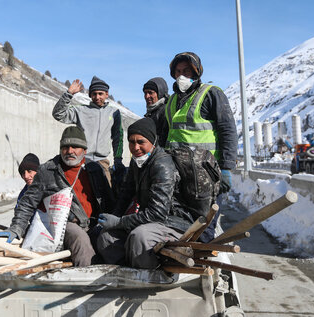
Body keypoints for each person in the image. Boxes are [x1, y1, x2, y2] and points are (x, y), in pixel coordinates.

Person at [4, 126, 114, 266]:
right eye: (65, 147)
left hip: (94, 224)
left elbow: (109, 201)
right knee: (78, 237)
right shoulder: (48, 170)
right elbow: (27, 203)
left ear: (84, 150)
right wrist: (16, 228)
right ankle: (87, 279)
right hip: (64, 226)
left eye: (75, 147)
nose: (69, 151)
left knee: (110, 240)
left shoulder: (94, 169)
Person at [96, 118, 189, 269]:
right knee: (106, 238)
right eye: (131, 142)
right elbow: (126, 195)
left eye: (141, 142)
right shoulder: (137, 162)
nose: (136, 147)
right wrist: (110, 221)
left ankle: (149, 277)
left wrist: (119, 222)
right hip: (151, 221)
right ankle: (127, 273)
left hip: (172, 222)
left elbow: (158, 213)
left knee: (139, 237)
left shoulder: (162, 165)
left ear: (152, 141)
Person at [164, 52, 238, 240]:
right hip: (180, 176)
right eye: (178, 71)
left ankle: (201, 264)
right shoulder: (171, 101)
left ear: (196, 72)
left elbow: (227, 129)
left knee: (204, 227)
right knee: (181, 223)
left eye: (187, 71)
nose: (182, 75)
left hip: (207, 175)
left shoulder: (211, 93)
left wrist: (227, 167)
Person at [52, 76, 124, 187]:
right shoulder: (80, 110)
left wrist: (118, 159)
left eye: (100, 94)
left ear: (106, 94)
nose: (97, 97)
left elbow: (118, 138)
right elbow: (58, 114)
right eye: (94, 94)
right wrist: (68, 94)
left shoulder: (114, 113)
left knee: (106, 197)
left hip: (102, 163)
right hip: (81, 162)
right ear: (90, 95)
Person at [142, 77, 169, 148]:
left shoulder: (165, 111)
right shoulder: (152, 112)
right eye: (145, 93)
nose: (147, 96)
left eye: (150, 93)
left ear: (160, 93)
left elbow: (164, 140)